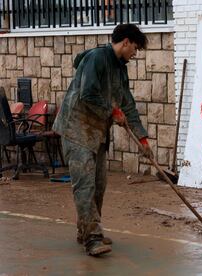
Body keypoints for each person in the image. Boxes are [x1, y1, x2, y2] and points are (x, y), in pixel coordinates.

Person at [53, 24, 153, 257]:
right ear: (126, 42)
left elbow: (127, 104)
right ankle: (92, 238)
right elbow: (87, 93)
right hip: (76, 129)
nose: (135, 54)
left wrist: (143, 139)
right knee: (85, 185)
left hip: (96, 134)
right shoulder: (97, 58)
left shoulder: (120, 69)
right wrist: (111, 111)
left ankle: (85, 229)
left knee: (99, 184)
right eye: (135, 49)